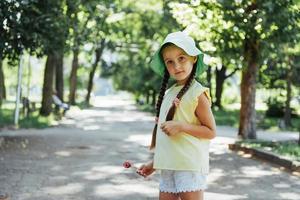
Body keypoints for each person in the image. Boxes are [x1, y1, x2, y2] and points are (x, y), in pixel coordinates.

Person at [137, 31, 216, 200]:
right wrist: (154, 164)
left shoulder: (198, 93)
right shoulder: (169, 93)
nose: (177, 66)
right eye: (170, 62)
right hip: (169, 167)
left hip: (189, 166)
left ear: (194, 58)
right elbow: (168, 142)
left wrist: (182, 126)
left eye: (182, 58)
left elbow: (211, 131)